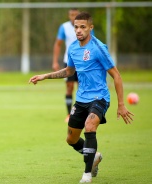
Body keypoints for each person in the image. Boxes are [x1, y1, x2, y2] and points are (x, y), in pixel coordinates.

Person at [29, 12, 134, 183]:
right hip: (81, 99)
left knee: (90, 126)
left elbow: (116, 75)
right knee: (71, 139)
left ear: (90, 28)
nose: (78, 30)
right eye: (76, 27)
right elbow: (69, 72)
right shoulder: (72, 48)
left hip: (99, 97)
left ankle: (87, 174)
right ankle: (95, 155)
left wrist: (121, 104)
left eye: (83, 27)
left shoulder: (99, 48)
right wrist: (45, 76)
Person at [53, 8, 93, 123]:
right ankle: (69, 114)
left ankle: (84, 113)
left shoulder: (86, 26)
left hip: (84, 61)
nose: (73, 17)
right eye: (71, 15)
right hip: (69, 61)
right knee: (69, 87)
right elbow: (58, 44)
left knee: (82, 88)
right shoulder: (64, 27)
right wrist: (55, 61)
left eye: (75, 15)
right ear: (68, 15)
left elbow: (92, 41)